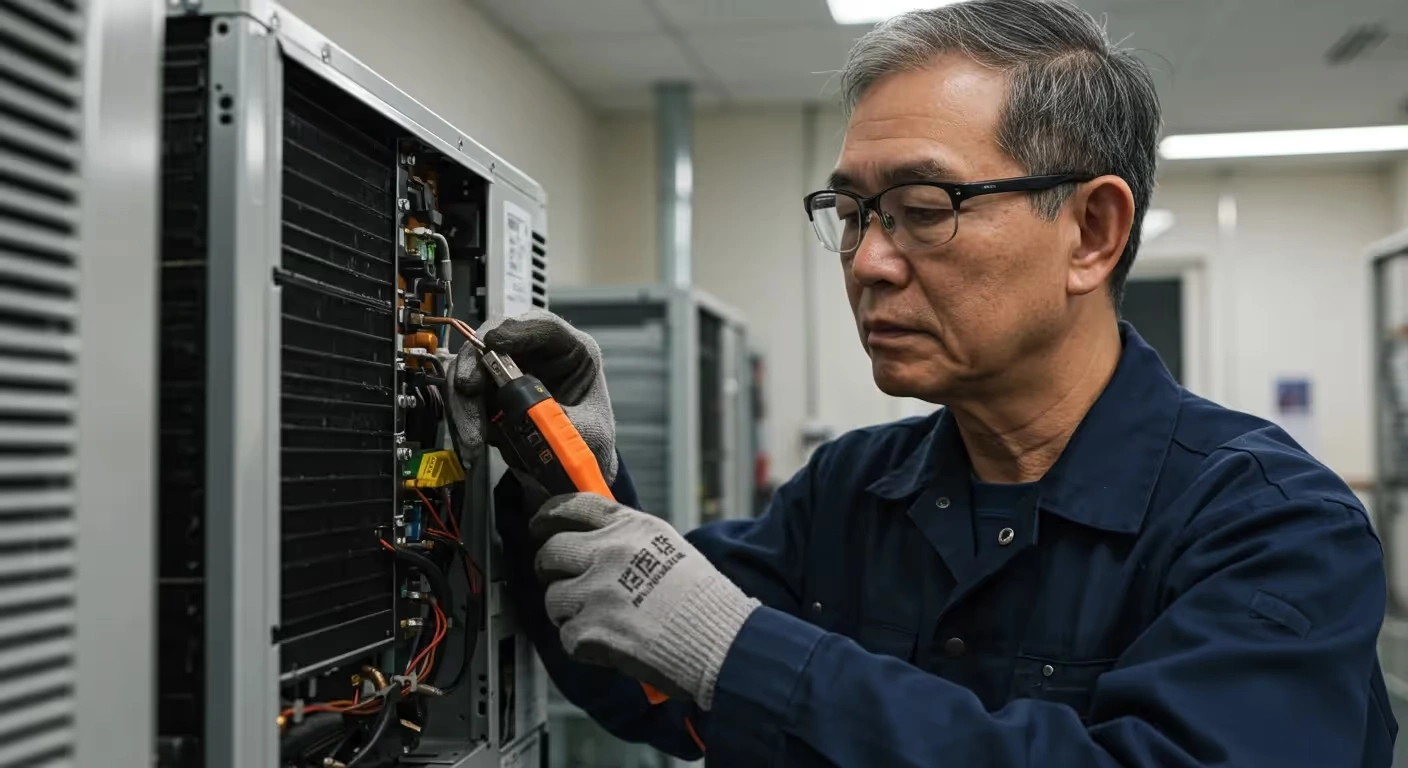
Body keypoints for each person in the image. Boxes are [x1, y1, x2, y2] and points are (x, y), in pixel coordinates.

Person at [448, 0, 1397, 764]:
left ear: (1092, 234)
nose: (867, 263)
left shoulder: (1273, 526)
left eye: (922, 207)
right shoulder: (850, 493)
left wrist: (748, 653)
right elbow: (646, 679)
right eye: (854, 212)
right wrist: (561, 470)